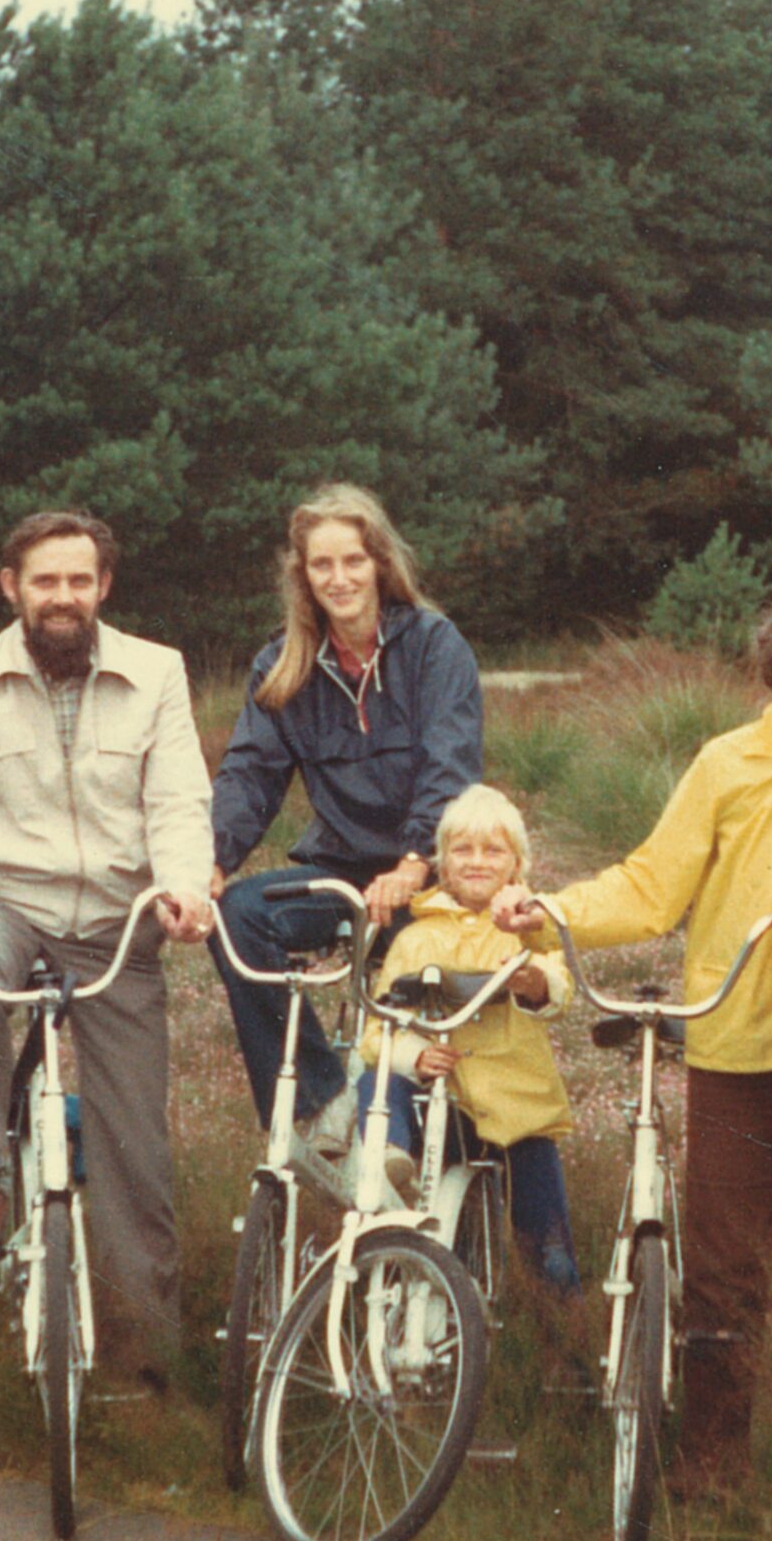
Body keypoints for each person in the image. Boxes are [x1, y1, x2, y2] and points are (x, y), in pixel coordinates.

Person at [495, 584, 772, 1489]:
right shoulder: (729, 761)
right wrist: (549, 912)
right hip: (737, 1026)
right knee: (724, 1257)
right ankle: (712, 1463)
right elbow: (651, 884)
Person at [0, 511, 213, 1375]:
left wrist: (180, 885)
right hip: (6, 900)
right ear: (11, 587)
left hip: (113, 919)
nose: (62, 597)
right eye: (45, 581)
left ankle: (150, 1367)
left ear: (104, 587)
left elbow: (177, 798)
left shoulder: (156, 671)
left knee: (137, 1154)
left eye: (79, 581)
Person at [208, 485, 482, 1157]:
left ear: (380, 561)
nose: (340, 578)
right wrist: (211, 858)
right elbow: (250, 773)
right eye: (322, 565)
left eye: (353, 560)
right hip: (339, 873)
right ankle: (324, 1107)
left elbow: (450, 766)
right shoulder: (281, 664)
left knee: (438, 1027)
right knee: (237, 917)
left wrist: (416, 860)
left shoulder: (432, 645)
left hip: (432, 874)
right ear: (303, 575)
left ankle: (455, 1158)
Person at [357, 783, 581, 1291]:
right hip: (447, 1105)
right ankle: (385, 1164)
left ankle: (564, 1355)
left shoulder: (530, 928)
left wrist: (534, 982)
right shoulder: (418, 937)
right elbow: (378, 1031)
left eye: (493, 850)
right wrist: (415, 1056)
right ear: (441, 861)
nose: (476, 862)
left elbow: (559, 986)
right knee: (376, 1080)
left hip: (520, 1108)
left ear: (516, 865)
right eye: (462, 850)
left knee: (549, 1252)